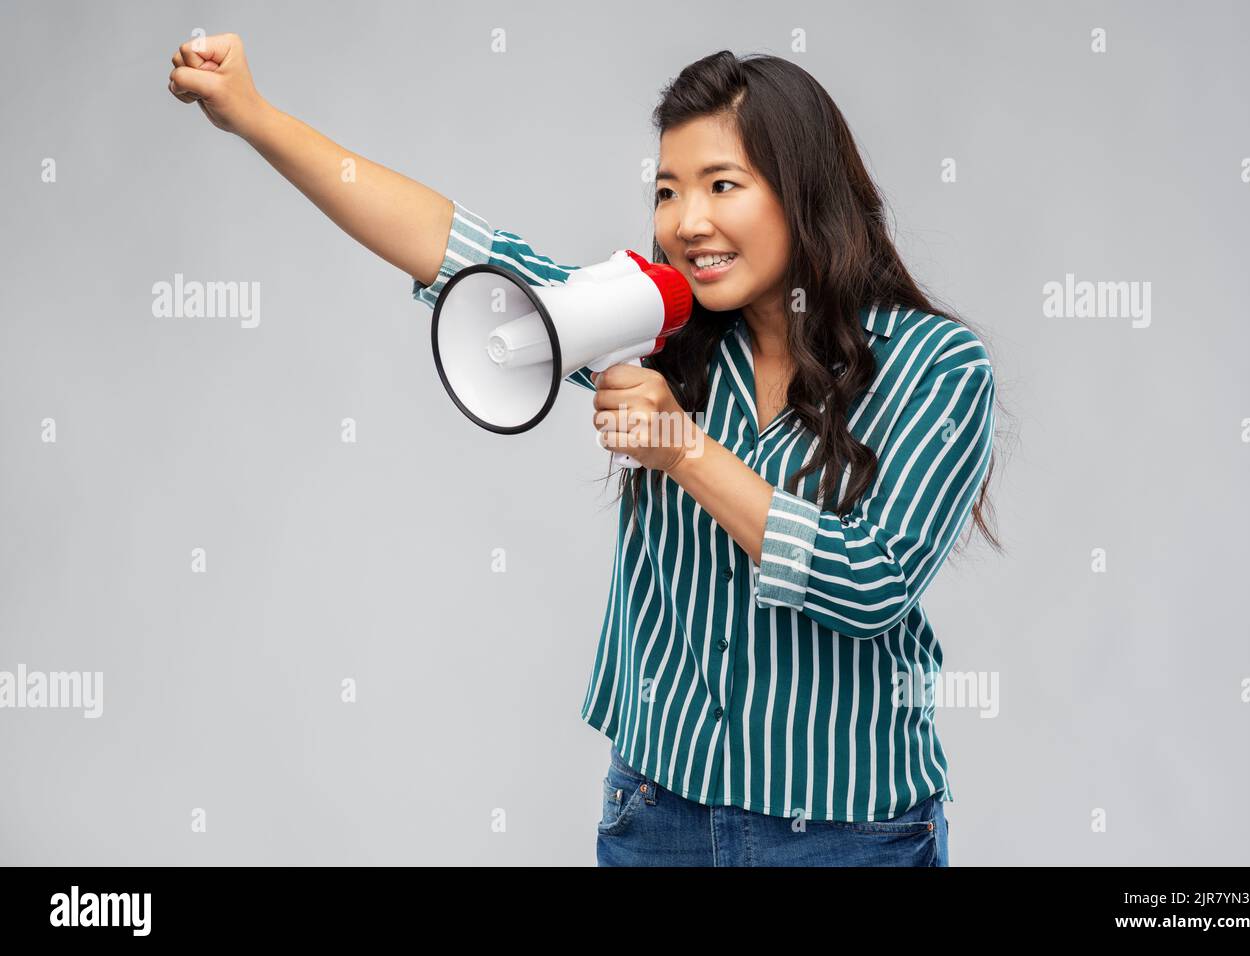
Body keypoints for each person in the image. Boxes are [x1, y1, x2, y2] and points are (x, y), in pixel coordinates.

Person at [169, 37, 1005, 867]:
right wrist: (253, 115)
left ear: (804, 193)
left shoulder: (936, 365)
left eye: (723, 186)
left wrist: (684, 450)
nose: (687, 223)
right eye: (668, 191)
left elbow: (871, 585)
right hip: (658, 814)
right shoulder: (661, 336)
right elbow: (445, 241)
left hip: (846, 833)